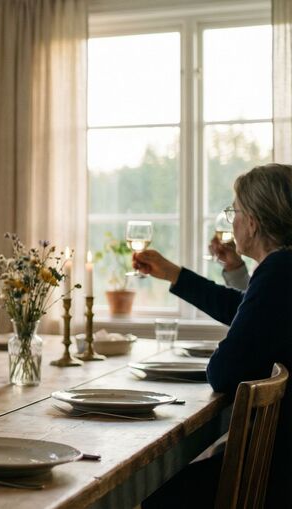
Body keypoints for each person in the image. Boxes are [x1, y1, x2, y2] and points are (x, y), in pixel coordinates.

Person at [136, 163, 292, 508]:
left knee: (148, 495)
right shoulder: (282, 267)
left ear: (252, 221)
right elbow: (246, 309)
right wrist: (176, 275)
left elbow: (223, 371)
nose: (231, 221)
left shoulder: (279, 271)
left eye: (234, 211)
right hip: (279, 463)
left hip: (273, 475)